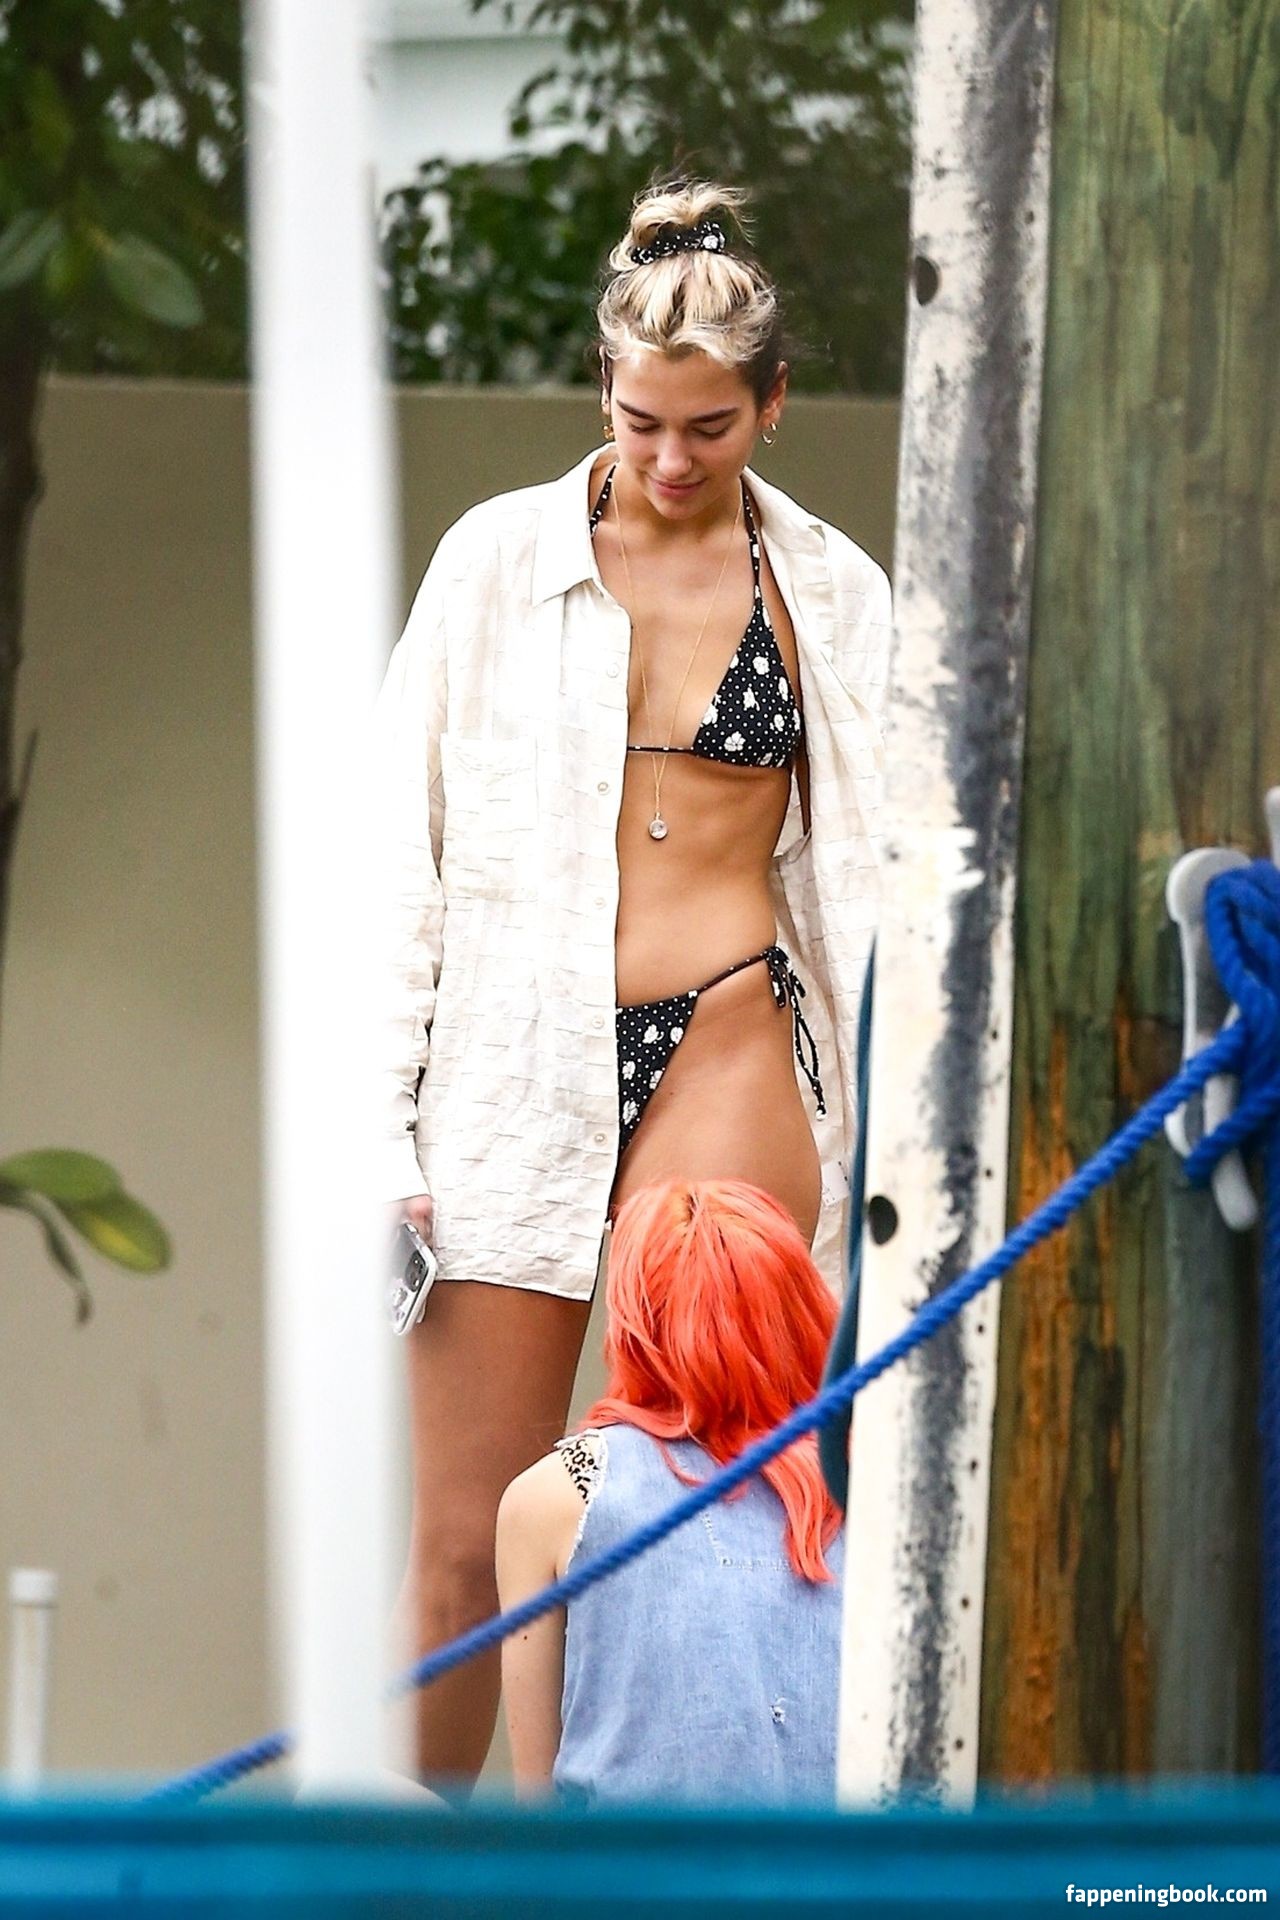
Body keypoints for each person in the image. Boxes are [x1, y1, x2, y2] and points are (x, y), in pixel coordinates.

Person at [374, 177, 889, 1786]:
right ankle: (391, 1884)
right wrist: (380, 1126)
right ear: (604, 387)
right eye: (641, 420)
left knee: (729, 1501)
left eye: (711, 428)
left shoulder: (834, 592)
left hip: (729, 1035)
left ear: (774, 403)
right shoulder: (492, 562)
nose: (671, 459)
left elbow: (892, 871)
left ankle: (701, 1857)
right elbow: (398, 852)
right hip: (512, 1065)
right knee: (468, 1539)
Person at [495, 1178, 844, 1804]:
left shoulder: (557, 1494)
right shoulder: (877, 1486)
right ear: (799, 1306)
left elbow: (538, 1812)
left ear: (636, 1321)